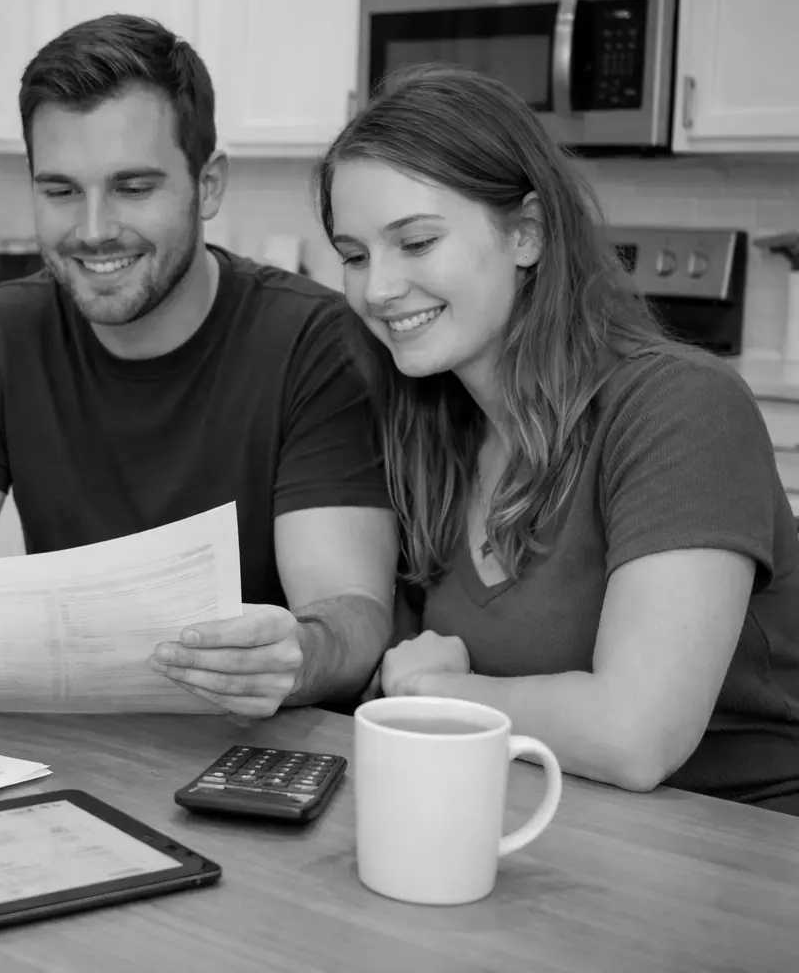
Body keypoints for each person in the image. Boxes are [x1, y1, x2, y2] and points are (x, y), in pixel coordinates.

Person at [0, 15, 398, 717]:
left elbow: (351, 611)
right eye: (59, 191)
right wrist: (22, 630)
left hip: (253, 749)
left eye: (133, 187)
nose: (92, 230)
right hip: (66, 736)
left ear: (208, 187)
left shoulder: (313, 341)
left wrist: (296, 657)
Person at [319, 63, 799, 813]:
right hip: (543, 828)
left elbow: (637, 736)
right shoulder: (429, 427)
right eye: (354, 255)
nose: (377, 289)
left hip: (740, 853)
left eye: (415, 242)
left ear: (527, 233)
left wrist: (442, 692)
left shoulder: (682, 408)